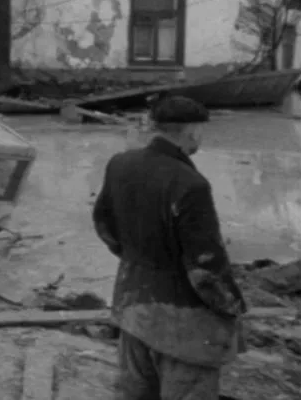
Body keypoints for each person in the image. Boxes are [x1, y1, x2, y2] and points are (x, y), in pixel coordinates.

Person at [93, 95, 247, 400]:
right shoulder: (191, 184)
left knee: (136, 393)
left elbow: (105, 227)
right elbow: (205, 268)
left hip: (132, 307)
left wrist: (139, 261)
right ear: (192, 131)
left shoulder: (120, 164)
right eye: (201, 131)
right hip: (183, 326)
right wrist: (234, 307)